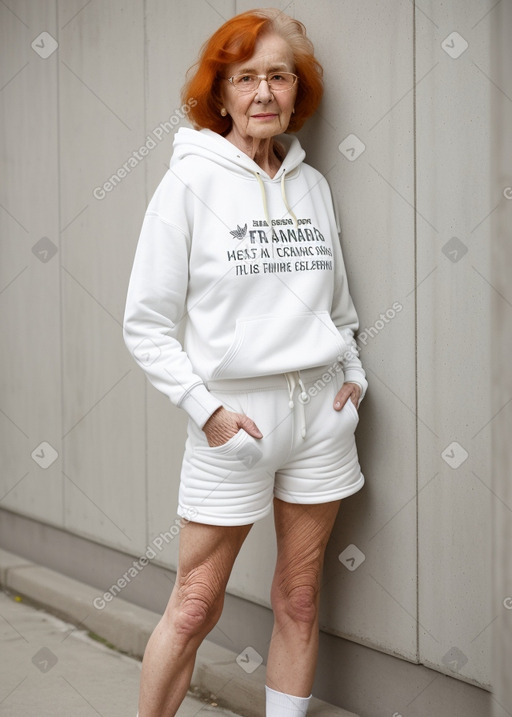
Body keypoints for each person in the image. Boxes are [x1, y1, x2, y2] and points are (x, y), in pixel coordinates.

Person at [123, 7, 367, 716]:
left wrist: (352, 375)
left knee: (298, 594)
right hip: (234, 424)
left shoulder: (313, 187)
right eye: (246, 78)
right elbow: (146, 324)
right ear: (220, 92)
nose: (264, 92)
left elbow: (340, 310)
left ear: (298, 91)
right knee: (196, 602)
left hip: (321, 416)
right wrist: (210, 413)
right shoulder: (188, 185)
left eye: (279, 77)